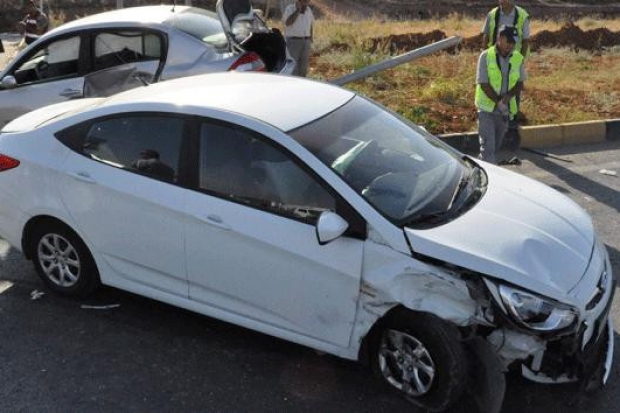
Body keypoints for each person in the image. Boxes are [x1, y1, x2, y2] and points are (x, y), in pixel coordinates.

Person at [475, 25, 525, 164]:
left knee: (495, 146)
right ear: (500, 38)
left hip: (504, 112)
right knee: (488, 147)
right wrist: (499, 102)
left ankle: (479, 166)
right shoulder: (485, 56)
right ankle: (489, 180)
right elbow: (483, 83)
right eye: (508, 41)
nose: (511, 45)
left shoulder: (517, 58)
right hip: (487, 110)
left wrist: (507, 98)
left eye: (514, 43)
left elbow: (520, 83)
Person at [283, 0, 314, 77]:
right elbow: (287, 23)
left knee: (304, 67)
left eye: (307, 1)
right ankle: (293, 86)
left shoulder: (309, 10)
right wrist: (298, 11)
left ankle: (302, 86)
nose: (306, 3)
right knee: (293, 68)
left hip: (306, 41)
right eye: (304, 1)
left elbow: (311, 24)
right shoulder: (290, 8)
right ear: (299, 1)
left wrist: (310, 37)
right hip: (293, 41)